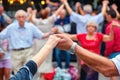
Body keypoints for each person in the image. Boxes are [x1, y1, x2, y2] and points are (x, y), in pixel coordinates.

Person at [0, 9, 57, 74]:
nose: (21, 18)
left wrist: (50, 32)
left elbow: (41, 36)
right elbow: (1, 36)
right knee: (17, 73)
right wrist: (1, 50)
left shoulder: (31, 26)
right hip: (15, 53)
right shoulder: (11, 27)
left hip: (28, 52)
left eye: (23, 16)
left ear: (26, 17)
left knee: (28, 72)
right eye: (19, 17)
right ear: (16, 18)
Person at [55, 34, 120, 77]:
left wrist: (73, 47)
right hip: (85, 63)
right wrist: (58, 33)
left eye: (92, 26)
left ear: (95, 28)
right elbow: (69, 36)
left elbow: (109, 69)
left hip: (97, 63)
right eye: (89, 26)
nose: (90, 28)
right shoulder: (82, 35)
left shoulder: (98, 35)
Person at [31, 5, 64, 80]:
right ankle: (42, 76)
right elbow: (58, 12)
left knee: (39, 57)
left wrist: (33, 12)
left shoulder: (37, 21)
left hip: (38, 43)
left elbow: (32, 18)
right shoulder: (50, 20)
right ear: (47, 14)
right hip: (48, 43)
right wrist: (63, 4)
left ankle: (40, 76)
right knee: (46, 59)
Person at [105, 9, 120, 80]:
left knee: (112, 74)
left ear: (109, 16)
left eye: (106, 16)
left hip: (114, 52)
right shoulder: (118, 24)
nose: (106, 18)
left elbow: (109, 43)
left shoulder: (110, 27)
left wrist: (107, 53)